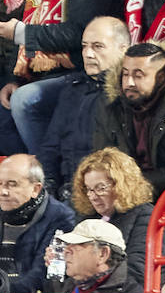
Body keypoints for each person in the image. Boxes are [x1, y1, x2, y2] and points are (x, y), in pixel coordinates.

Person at [0, 0, 121, 153]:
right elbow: (28, 23)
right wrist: (13, 77)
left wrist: (20, 33)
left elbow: (78, 34)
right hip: (42, 72)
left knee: (25, 101)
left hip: (82, 72)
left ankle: (48, 178)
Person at [91, 41, 165, 197]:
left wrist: (139, 182)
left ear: (161, 77)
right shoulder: (111, 102)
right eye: (126, 74)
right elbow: (101, 157)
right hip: (122, 189)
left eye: (138, 75)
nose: (129, 83)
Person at [36, 18, 130, 195]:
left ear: (123, 49)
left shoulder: (129, 93)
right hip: (68, 193)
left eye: (97, 46)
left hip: (110, 195)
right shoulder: (72, 90)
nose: (88, 54)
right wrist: (48, 186)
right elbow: (50, 147)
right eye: (84, 46)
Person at [27, 219, 158, 293]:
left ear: (103, 254)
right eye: (67, 246)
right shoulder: (68, 287)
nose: (66, 251)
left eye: (76, 246)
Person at [69, 147, 154, 285]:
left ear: (122, 185)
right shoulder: (87, 218)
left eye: (100, 188)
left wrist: (86, 267)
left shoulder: (146, 215)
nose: (92, 196)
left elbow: (139, 269)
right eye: (88, 189)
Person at [0, 153, 75, 293]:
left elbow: (40, 277)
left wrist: (4, 290)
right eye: (0, 183)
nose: (3, 192)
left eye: (12, 184)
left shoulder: (61, 218)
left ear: (36, 189)